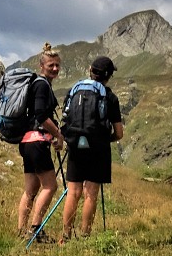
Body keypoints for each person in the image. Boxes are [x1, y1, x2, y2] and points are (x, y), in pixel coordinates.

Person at [60, 55, 124, 243]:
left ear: (90, 70)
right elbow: (119, 133)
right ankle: (86, 237)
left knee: (73, 192)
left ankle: (65, 237)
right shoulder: (110, 97)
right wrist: (106, 139)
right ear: (108, 76)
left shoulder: (75, 90)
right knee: (90, 194)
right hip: (98, 148)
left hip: (75, 146)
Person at [16, 44, 65, 241]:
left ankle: (21, 231)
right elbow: (42, 115)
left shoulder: (35, 84)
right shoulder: (42, 85)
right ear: (41, 65)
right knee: (50, 186)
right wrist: (58, 135)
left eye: (57, 65)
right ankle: (36, 230)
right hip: (37, 141)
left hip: (26, 142)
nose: (55, 68)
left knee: (30, 189)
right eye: (51, 65)